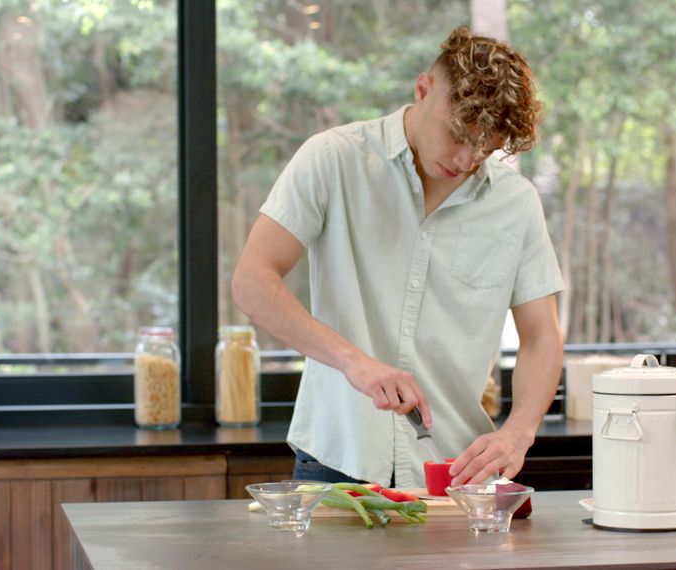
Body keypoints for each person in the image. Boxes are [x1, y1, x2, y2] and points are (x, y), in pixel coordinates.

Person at [231, 26, 564, 489]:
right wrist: (353, 361)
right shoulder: (333, 160)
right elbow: (252, 280)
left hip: (455, 470)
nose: (467, 159)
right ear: (423, 89)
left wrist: (518, 433)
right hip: (337, 458)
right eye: (457, 134)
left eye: (485, 148)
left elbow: (542, 336)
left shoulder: (517, 202)